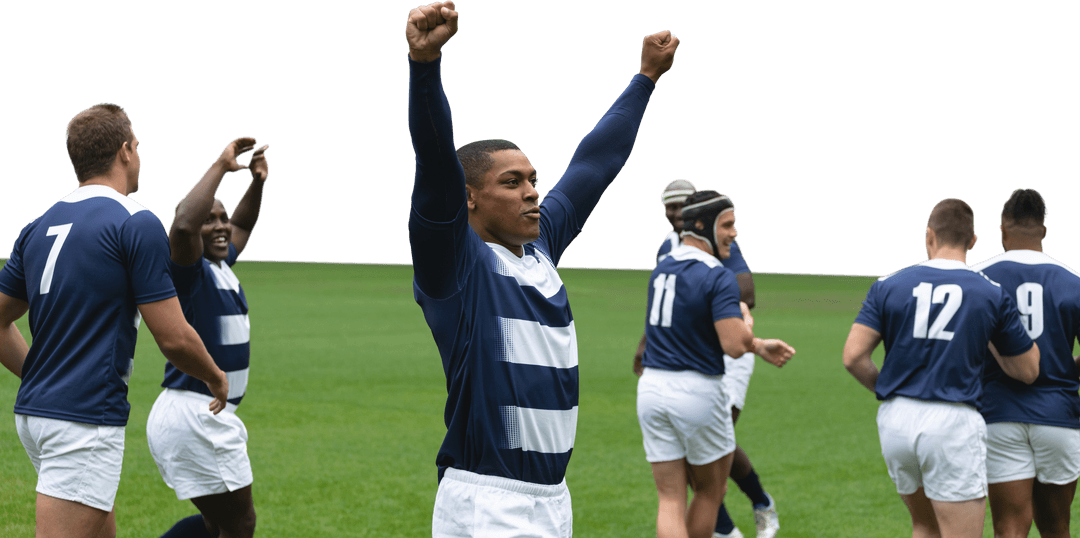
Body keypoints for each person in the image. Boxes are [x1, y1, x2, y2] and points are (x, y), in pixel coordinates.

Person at [405, 2, 679, 536]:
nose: (532, 192)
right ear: (467, 201)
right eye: (511, 183)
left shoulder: (540, 247)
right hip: (490, 500)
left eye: (532, 179)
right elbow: (435, 161)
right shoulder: (457, 265)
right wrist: (425, 65)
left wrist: (645, 77)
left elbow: (595, 163)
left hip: (550, 497)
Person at [0, 103, 229, 538]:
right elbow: (174, 338)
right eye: (137, 146)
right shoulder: (135, 221)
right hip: (83, 419)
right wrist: (216, 377)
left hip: (37, 415)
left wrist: (39, 374)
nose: (139, 156)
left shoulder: (37, 225)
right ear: (125, 151)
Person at [842, 198, 1041, 538]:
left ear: (928, 235)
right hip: (952, 423)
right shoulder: (990, 292)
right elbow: (1028, 370)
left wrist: (889, 391)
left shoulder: (888, 283)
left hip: (896, 421)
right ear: (973, 242)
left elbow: (853, 357)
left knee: (924, 526)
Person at [637, 189, 795, 538]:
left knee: (670, 499)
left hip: (650, 390)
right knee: (710, 492)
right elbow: (734, 345)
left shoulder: (663, 268)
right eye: (728, 225)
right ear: (702, 225)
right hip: (696, 391)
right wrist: (753, 335)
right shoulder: (717, 274)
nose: (734, 233)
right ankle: (760, 505)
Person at [147, 137, 269, 538]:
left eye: (222, 219)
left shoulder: (220, 264)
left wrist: (257, 183)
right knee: (239, 523)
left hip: (203, 412)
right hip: (197, 412)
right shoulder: (188, 272)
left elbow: (244, 224)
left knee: (219, 523)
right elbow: (182, 222)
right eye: (210, 220)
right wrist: (219, 166)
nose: (220, 226)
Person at [970, 188, 1080, 538]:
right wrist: (1064, 371)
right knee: (1057, 527)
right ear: (1044, 231)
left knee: (1010, 528)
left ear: (1002, 229)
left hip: (998, 416)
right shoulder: (1074, 282)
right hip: (1059, 417)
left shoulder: (977, 278)